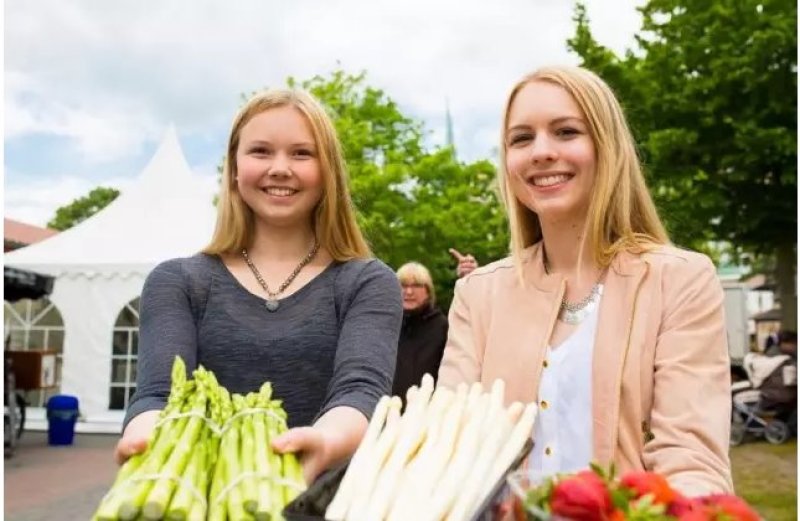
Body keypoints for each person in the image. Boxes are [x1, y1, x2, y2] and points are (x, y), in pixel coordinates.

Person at [438, 65, 733, 496]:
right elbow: (450, 446)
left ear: (606, 146)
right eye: (522, 138)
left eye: (566, 132)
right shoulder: (478, 295)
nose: (540, 151)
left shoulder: (681, 280)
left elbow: (691, 459)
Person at [115, 88, 403, 483]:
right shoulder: (177, 282)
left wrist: (322, 441)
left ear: (328, 171)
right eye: (261, 151)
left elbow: (360, 392)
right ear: (234, 168)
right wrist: (147, 438)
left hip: (326, 501)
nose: (280, 168)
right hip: (203, 496)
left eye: (302, 153)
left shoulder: (367, 282)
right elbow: (157, 395)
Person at [392, 262, 449, 401]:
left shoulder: (443, 327)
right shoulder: (386, 325)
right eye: (403, 285)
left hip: (429, 411)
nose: (409, 292)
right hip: (388, 409)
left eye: (416, 285)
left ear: (428, 291)